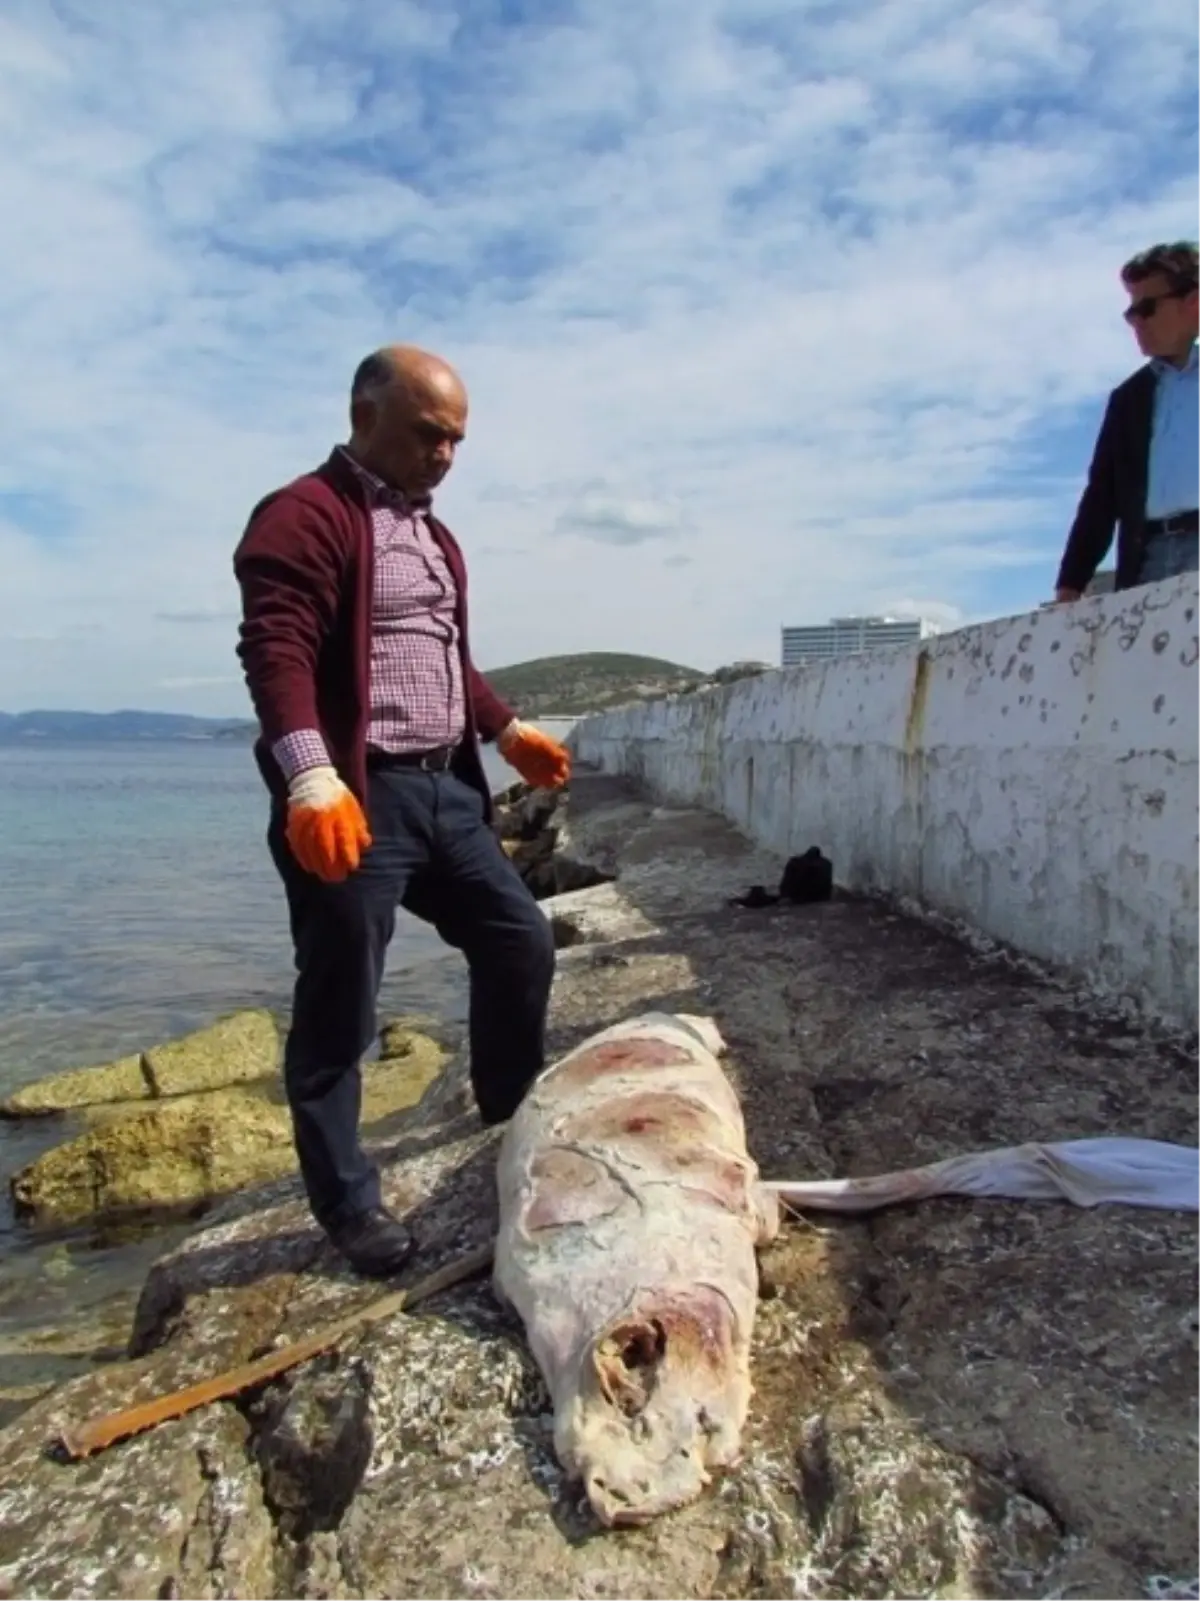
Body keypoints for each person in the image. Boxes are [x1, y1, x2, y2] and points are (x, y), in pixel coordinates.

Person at [233, 345, 571, 1278]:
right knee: (343, 1000)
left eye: (459, 440)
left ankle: (507, 1112)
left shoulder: (435, 537)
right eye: (430, 434)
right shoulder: (303, 514)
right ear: (363, 411)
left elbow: (441, 656)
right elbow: (278, 650)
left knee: (518, 939)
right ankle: (347, 1205)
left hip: (447, 791)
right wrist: (309, 777)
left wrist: (506, 732)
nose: (447, 456)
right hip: (356, 792)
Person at [1054, 241, 1200, 601]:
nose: (1135, 320)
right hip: (1148, 562)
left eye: (1146, 308)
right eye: (1130, 312)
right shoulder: (1129, 399)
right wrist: (1070, 585)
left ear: (1193, 303)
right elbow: (1101, 496)